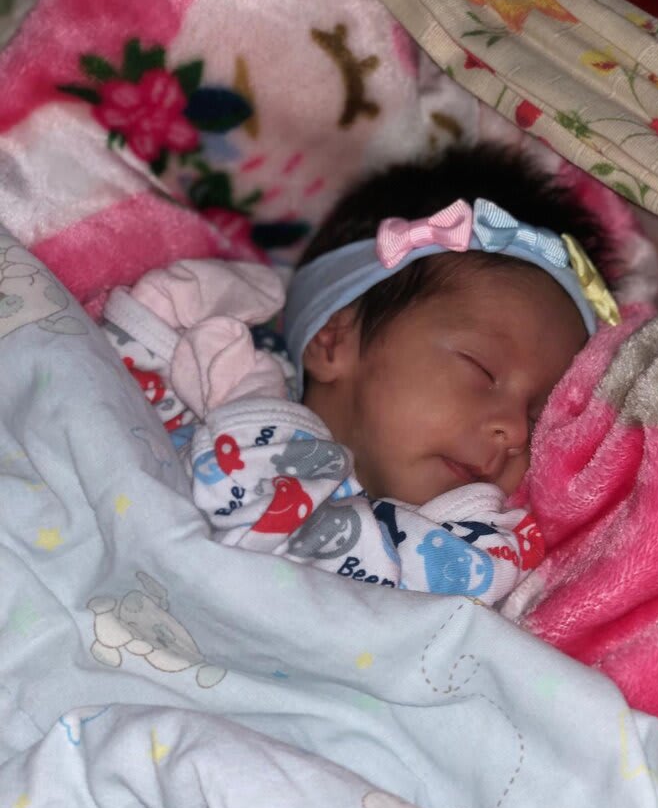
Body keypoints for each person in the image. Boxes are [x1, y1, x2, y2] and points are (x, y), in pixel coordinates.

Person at [103, 143, 620, 605]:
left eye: (539, 415)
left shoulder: (481, 555)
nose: (515, 432)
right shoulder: (190, 382)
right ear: (334, 340)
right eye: (482, 370)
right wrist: (244, 392)